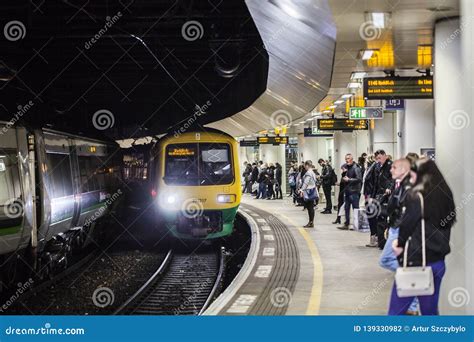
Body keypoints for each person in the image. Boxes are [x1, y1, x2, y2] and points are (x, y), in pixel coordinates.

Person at [389, 159, 455, 315]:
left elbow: (407, 225)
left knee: (395, 312)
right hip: (438, 262)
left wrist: (399, 244)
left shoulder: (416, 196)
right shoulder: (445, 195)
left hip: (417, 262)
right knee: (429, 312)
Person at [379, 157, 419, 315]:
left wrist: (399, 232)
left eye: (394, 168)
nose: (390, 170)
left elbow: (407, 213)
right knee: (398, 264)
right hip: (395, 228)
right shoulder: (401, 185)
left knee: (386, 260)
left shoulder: (409, 188)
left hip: (400, 230)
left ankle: (414, 299)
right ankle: (413, 302)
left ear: (403, 170)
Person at [370, 150, 395, 249]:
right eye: (377, 159)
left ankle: (385, 243)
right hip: (380, 196)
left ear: (385, 156)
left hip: (388, 196)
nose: (378, 160)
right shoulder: (378, 166)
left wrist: (390, 187)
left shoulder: (390, 165)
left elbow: (394, 178)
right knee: (379, 219)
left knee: (385, 219)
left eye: (380, 158)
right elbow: (376, 182)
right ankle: (381, 243)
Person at [338, 154, 362, 230]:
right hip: (348, 191)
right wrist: (344, 173)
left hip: (354, 192)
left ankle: (356, 224)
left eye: (348, 158)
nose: (347, 160)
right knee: (346, 208)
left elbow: (359, 179)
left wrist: (349, 180)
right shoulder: (347, 167)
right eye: (346, 159)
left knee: (355, 209)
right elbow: (343, 175)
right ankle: (346, 223)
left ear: (352, 159)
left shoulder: (356, 168)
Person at [299, 160, 318, 228]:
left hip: (309, 192)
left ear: (307, 165)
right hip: (312, 190)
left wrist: (301, 190)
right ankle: (311, 222)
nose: (304, 167)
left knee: (310, 208)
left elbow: (306, 183)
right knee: (311, 207)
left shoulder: (308, 173)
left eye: (305, 166)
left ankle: (311, 222)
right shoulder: (312, 172)